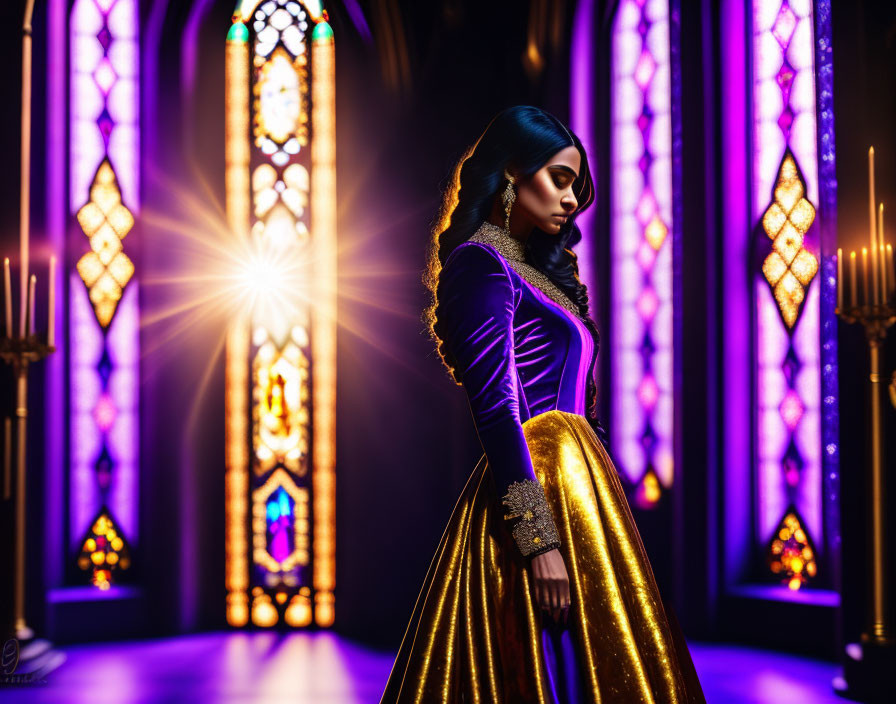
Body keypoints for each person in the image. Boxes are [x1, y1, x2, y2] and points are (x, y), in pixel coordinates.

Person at [380, 106, 705, 703]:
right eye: (559, 178)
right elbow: (497, 408)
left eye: (576, 186)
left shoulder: (535, 273)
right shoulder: (480, 264)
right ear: (510, 172)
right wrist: (538, 539)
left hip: (582, 490)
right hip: (535, 496)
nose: (572, 199)